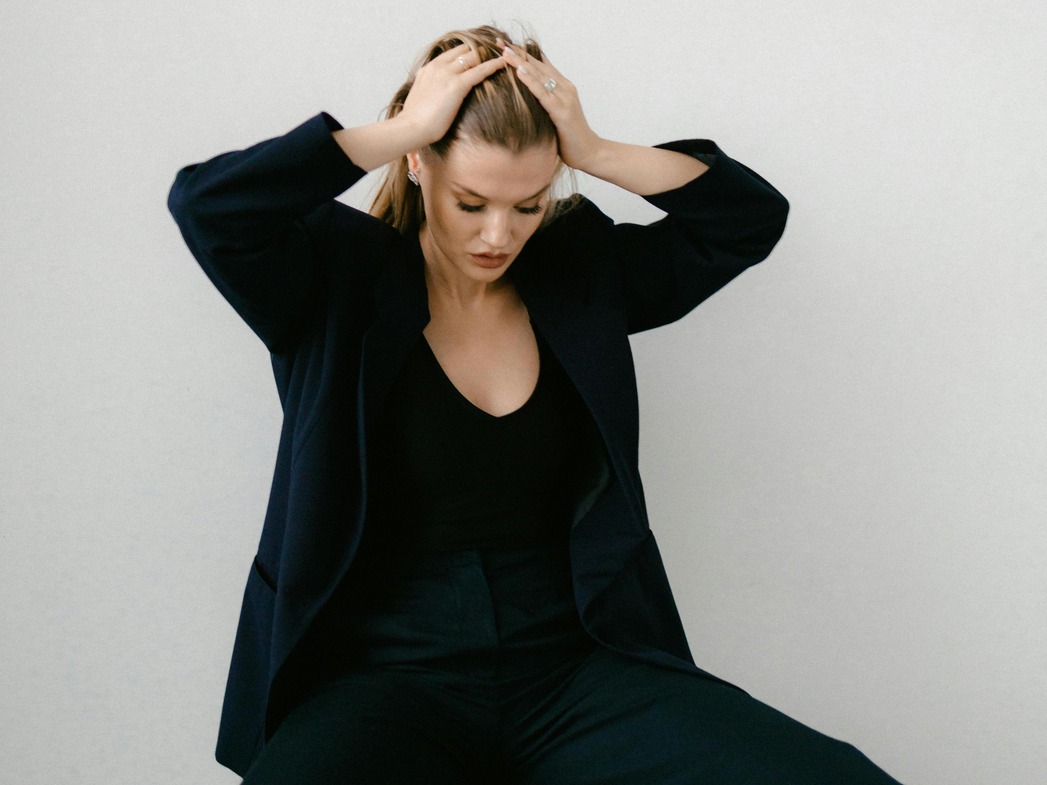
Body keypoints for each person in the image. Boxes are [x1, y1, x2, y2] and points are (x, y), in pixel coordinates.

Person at [169, 24, 903, 785]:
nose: (498, 235)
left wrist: (592, 150)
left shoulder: (578, 276)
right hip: (384, 677)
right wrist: (403, 128)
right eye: (471, 202)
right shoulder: (331, 281)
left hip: (574, 670)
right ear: (418, 165)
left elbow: (748, 219)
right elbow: (208, 207)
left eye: (527, 205)